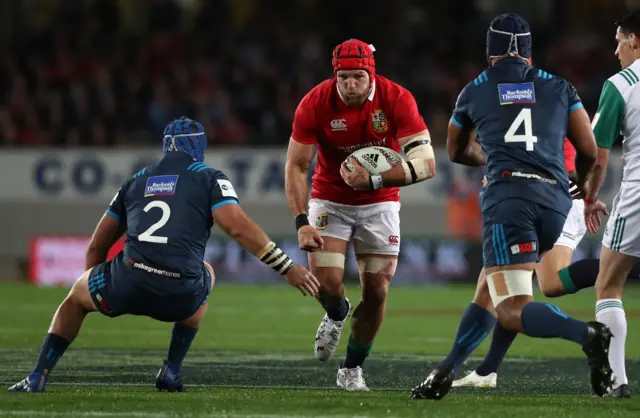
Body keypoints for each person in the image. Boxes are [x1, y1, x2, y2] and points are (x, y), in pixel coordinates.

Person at [9, 117, 319, 393]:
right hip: (180, 292)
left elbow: (96, 246)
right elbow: (237, 227)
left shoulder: (136, 180)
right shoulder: (209, 177)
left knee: (76, 298)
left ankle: (38, 376)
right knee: (205, 273)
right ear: (200, 148)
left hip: (126, 282)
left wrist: (101, 288)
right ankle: (171, 371)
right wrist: (286, 267)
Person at [410, 13, 613, 401]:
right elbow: (589, 151)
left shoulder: (475, 90)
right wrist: (581, 180)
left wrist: (489, 156)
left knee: (511, 307)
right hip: (555, 202)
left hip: (510, 201)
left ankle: (585, 334)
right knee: (492, 284)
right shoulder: (559, 86)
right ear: (529, 54)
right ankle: (450, 371)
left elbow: (455, 150)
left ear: (490, 53)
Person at [285, 38, 436, 391]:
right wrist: (301, 221)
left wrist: (375, 180)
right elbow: (295, 165)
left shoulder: (397, 99)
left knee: (378, 291)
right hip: (329, 199)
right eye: (343, 78)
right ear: (334, 76)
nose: (350, 86)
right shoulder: (316, 102)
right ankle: (337, 312)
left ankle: (351, 369)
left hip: (380, 202)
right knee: (327, 285)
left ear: (371, 74)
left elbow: (426, 164)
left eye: (357, 77)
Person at [581, 10, 640, 398]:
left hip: (638, 195)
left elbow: (599, 155)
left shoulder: (620, 84)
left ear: (634, 39)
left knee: (608, 285)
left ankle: (618, 381)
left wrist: (589, 198)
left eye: (619, 40)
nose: (615, 48)